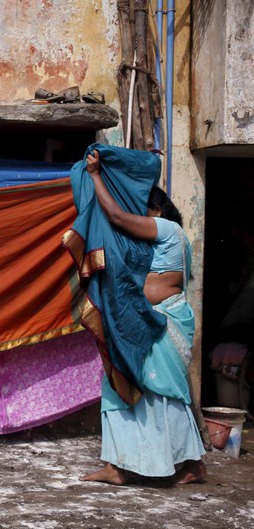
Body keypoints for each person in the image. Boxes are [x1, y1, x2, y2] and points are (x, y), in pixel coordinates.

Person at [80, 149, 206, 485]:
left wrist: (94, 177)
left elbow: (119, 218)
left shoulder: (167, 230)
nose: (140, 217)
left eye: (143, 211)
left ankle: (191, 465)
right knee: (117, 380)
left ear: (156, 211)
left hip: (162, 324)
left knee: (161, 391)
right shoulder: (160, 242)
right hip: (146, 322)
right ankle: (116, 466)